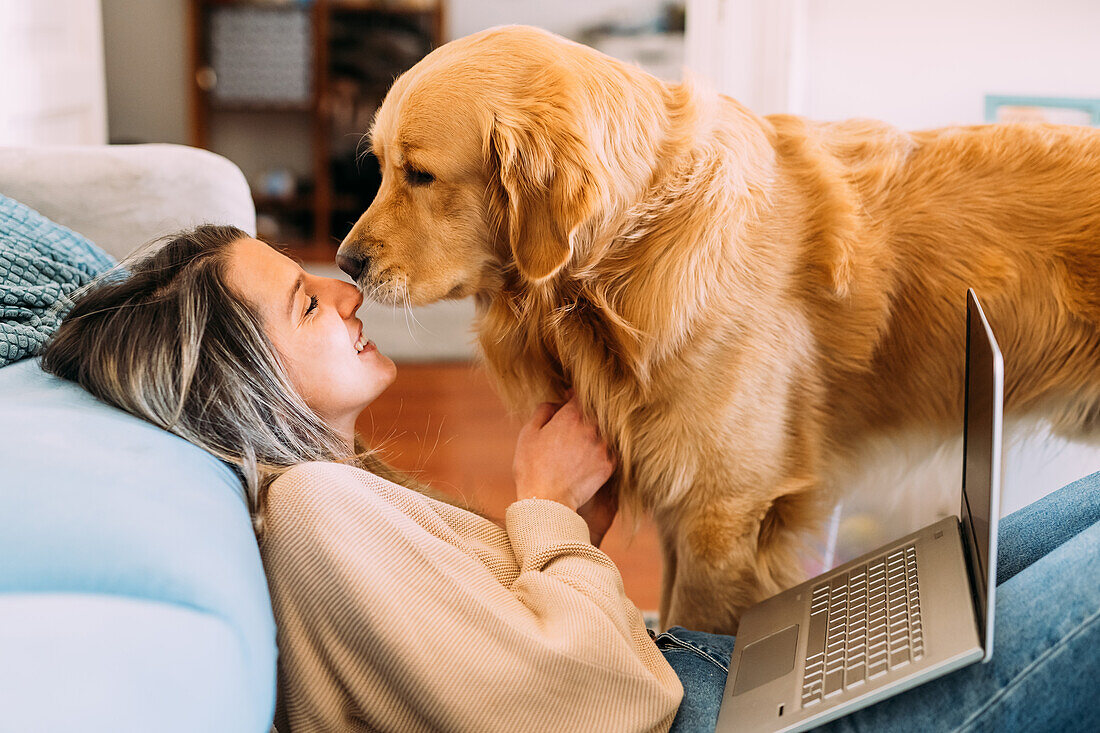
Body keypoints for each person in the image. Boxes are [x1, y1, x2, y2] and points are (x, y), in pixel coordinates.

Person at [40, 225, 1099, 733]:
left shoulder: (328, 499)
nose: (342, 285)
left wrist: (560, 536)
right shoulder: (314, 513)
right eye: (304, 307)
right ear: (244, 377)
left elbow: (495, 670)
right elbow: (596, 703)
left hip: (725, 678)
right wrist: (541, 509)